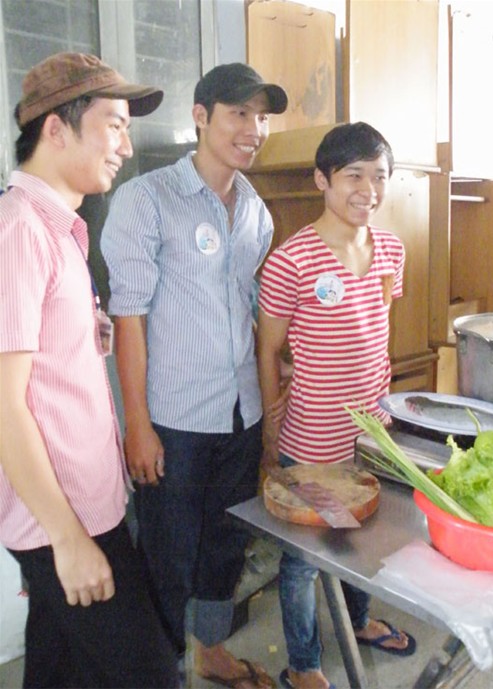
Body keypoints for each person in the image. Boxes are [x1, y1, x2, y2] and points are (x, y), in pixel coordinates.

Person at [100, 63, 288, 689]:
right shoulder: (147, 199)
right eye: (239, 113)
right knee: (167, 556)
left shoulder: (256, 211)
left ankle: (206, 650)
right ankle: (164, 669)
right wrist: (137, 424)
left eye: (261, 116)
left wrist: (272, 393)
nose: (253, 129)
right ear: (201, 116)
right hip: (174, 419)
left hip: (239, 413)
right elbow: (129, 318)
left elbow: (246, 309)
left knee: (225, 547)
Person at [0, 52, 179, 688]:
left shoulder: (59, 230)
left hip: (84, 507)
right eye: (114, 125)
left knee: (60, 668)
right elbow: (5, 405)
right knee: (152, 675)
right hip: (64, 519)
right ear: (56, 129)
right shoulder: (21, 232)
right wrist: (67, 539)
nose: (125, 147)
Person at [257, 122, 417, 689]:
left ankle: (358, 621)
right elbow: (269, 349)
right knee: (304, 559)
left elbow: (379, 323)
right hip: (313, 438)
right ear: (322, 180)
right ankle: (303, 664)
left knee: (361, 537)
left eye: (379, 176)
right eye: (354, 175)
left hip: (374, 431)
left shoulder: (391, 249)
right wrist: (271, 435)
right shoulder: (291, 261)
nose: (368, 190)